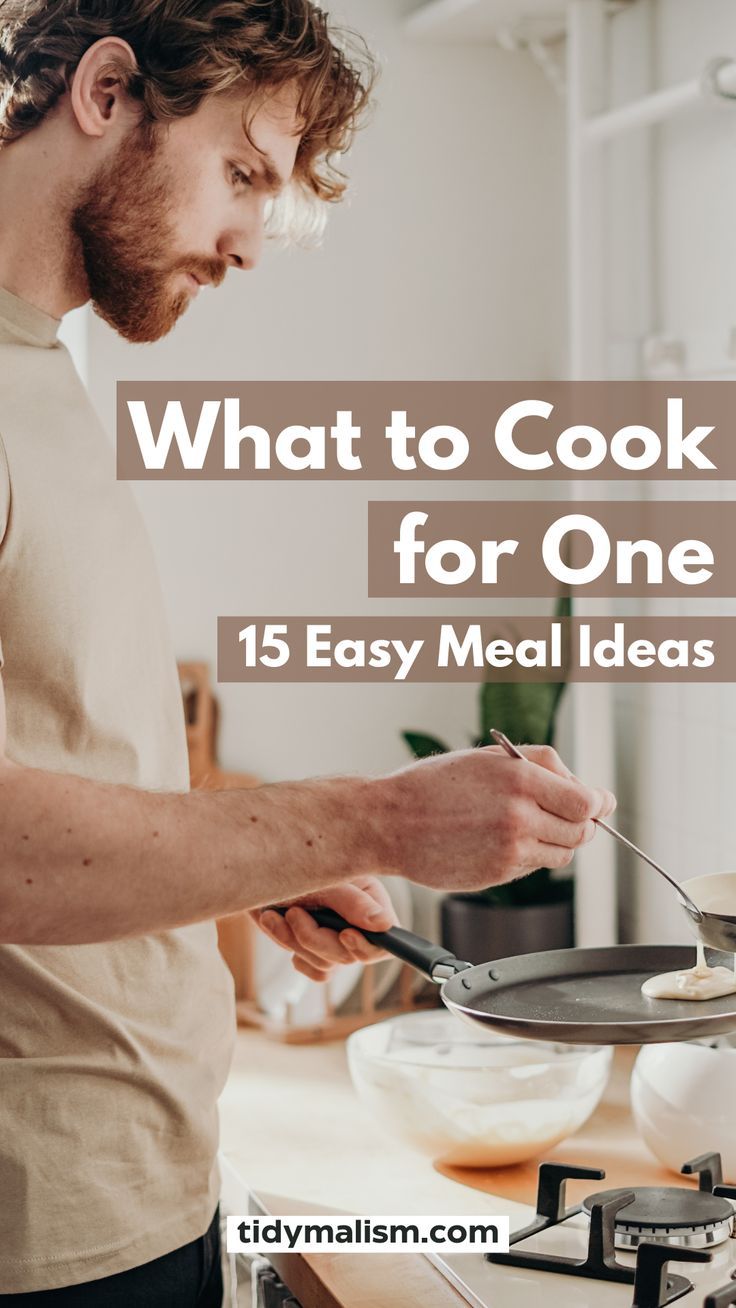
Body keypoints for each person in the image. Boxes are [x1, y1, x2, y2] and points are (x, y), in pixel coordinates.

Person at [0, 1, 615, 1301]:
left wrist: (252, 864)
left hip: (142, 1180)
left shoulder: (45, 375)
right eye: (239, 175)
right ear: (105, 91)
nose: (246, 244)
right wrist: (369, 821)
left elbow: (53, 765)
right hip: (37, 1227)